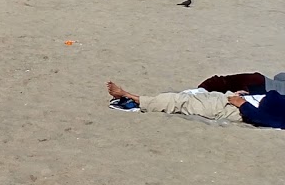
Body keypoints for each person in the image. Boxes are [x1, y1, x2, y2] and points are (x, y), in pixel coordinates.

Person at [106, 81, 285, 129]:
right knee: (192, 96)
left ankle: (131, 97)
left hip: (236, 109)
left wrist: (242, 104)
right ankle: (138, 99)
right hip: (244, 100)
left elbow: (267, 120)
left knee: (183, 102)